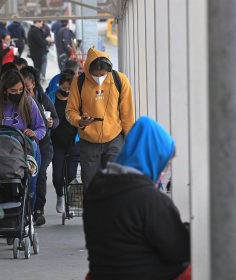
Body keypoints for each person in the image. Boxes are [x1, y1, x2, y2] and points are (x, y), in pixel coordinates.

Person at [83, 116, 190, 280]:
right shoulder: (151, 200)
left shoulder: (97, 189)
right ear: (153, 158)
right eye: (166, 163)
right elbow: (179, 251)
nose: (166, 170)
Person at [0, 69, 46, 208]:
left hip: (24, 150)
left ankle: (29, 212)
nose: (18, 93)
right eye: (13, 91)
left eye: (21, 89)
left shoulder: (28, 101)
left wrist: (34, 134)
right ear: (4, 90)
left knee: (30, 184)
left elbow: (41, 128)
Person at [66, 48, 135, 188]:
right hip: (88, 142)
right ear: (87, 70)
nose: (99, 78)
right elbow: (70, 111)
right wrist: (80, 121)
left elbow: (127, 113)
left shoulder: (120, 80)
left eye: (103, 75)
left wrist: (130, 140)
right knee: (91, 185)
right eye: (95, 75)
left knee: (116, 183)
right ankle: (96, 210)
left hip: (114, 139)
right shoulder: (78, 83)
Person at [21, 67, 59, 226]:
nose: (23, 92)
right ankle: (22, 209)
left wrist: (51, 123)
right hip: (21, 145)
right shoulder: (14, 102)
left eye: (27, 88)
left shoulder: (43, 99)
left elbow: (55, 119)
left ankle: (38, 209)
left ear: (34, 85)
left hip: (42, 145)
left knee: (40, 173)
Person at [47, 72, 80, 213]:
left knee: (72, 176)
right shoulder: (51, 97)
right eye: (64, 88)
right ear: (59, 84)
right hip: (56, 142)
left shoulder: (78, 98)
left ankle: (71, 201)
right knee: (57, 176)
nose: (66, 91)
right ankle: (60, 195)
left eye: (69, 89)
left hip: (74, 142)